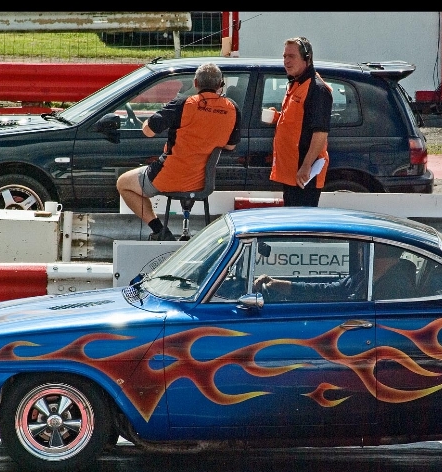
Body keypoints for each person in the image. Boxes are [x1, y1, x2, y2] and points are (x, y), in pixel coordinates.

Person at [117, 62, 241, 240]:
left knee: (123, 183)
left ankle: (160, 230)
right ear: (220, 85)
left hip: (168, 177)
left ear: (196, 83)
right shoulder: (233, 109)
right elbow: (230, 146)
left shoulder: (183, 104)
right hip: (202, 183)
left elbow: (148, 131)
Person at [263, 36, 333, 207]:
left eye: (291, 56)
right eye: (284, 56)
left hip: (304, 174)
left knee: (302, 226)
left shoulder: (317, 89)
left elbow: (320, 133)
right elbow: (299, 122)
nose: (286, 61)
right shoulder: (296, 84)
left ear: (307, 58)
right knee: (292, 223)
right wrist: (278, 118)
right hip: (292, 172)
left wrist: (306, 166)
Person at [253, 243, 416, 301]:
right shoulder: (363, 277)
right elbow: (326, 290)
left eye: (362, 250)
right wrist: (277, 284)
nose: (359, 253)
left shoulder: (396, 286)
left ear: (377, 252)